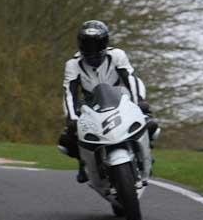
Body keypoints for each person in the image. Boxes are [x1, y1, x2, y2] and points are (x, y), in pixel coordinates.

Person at [60, 20, 160, 183]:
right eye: (87, 43)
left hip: (119, 98)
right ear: (80, 43)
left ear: (105, 42)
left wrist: (138, 101)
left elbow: (130, 78)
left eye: (96, 43)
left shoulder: (117, 55)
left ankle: (146, 152)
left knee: (149, 123)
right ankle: (83, 164)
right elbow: (69, 92)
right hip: (89, 103)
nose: (92, 49)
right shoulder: (72, 64)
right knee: (67, 139)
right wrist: (71, 116)